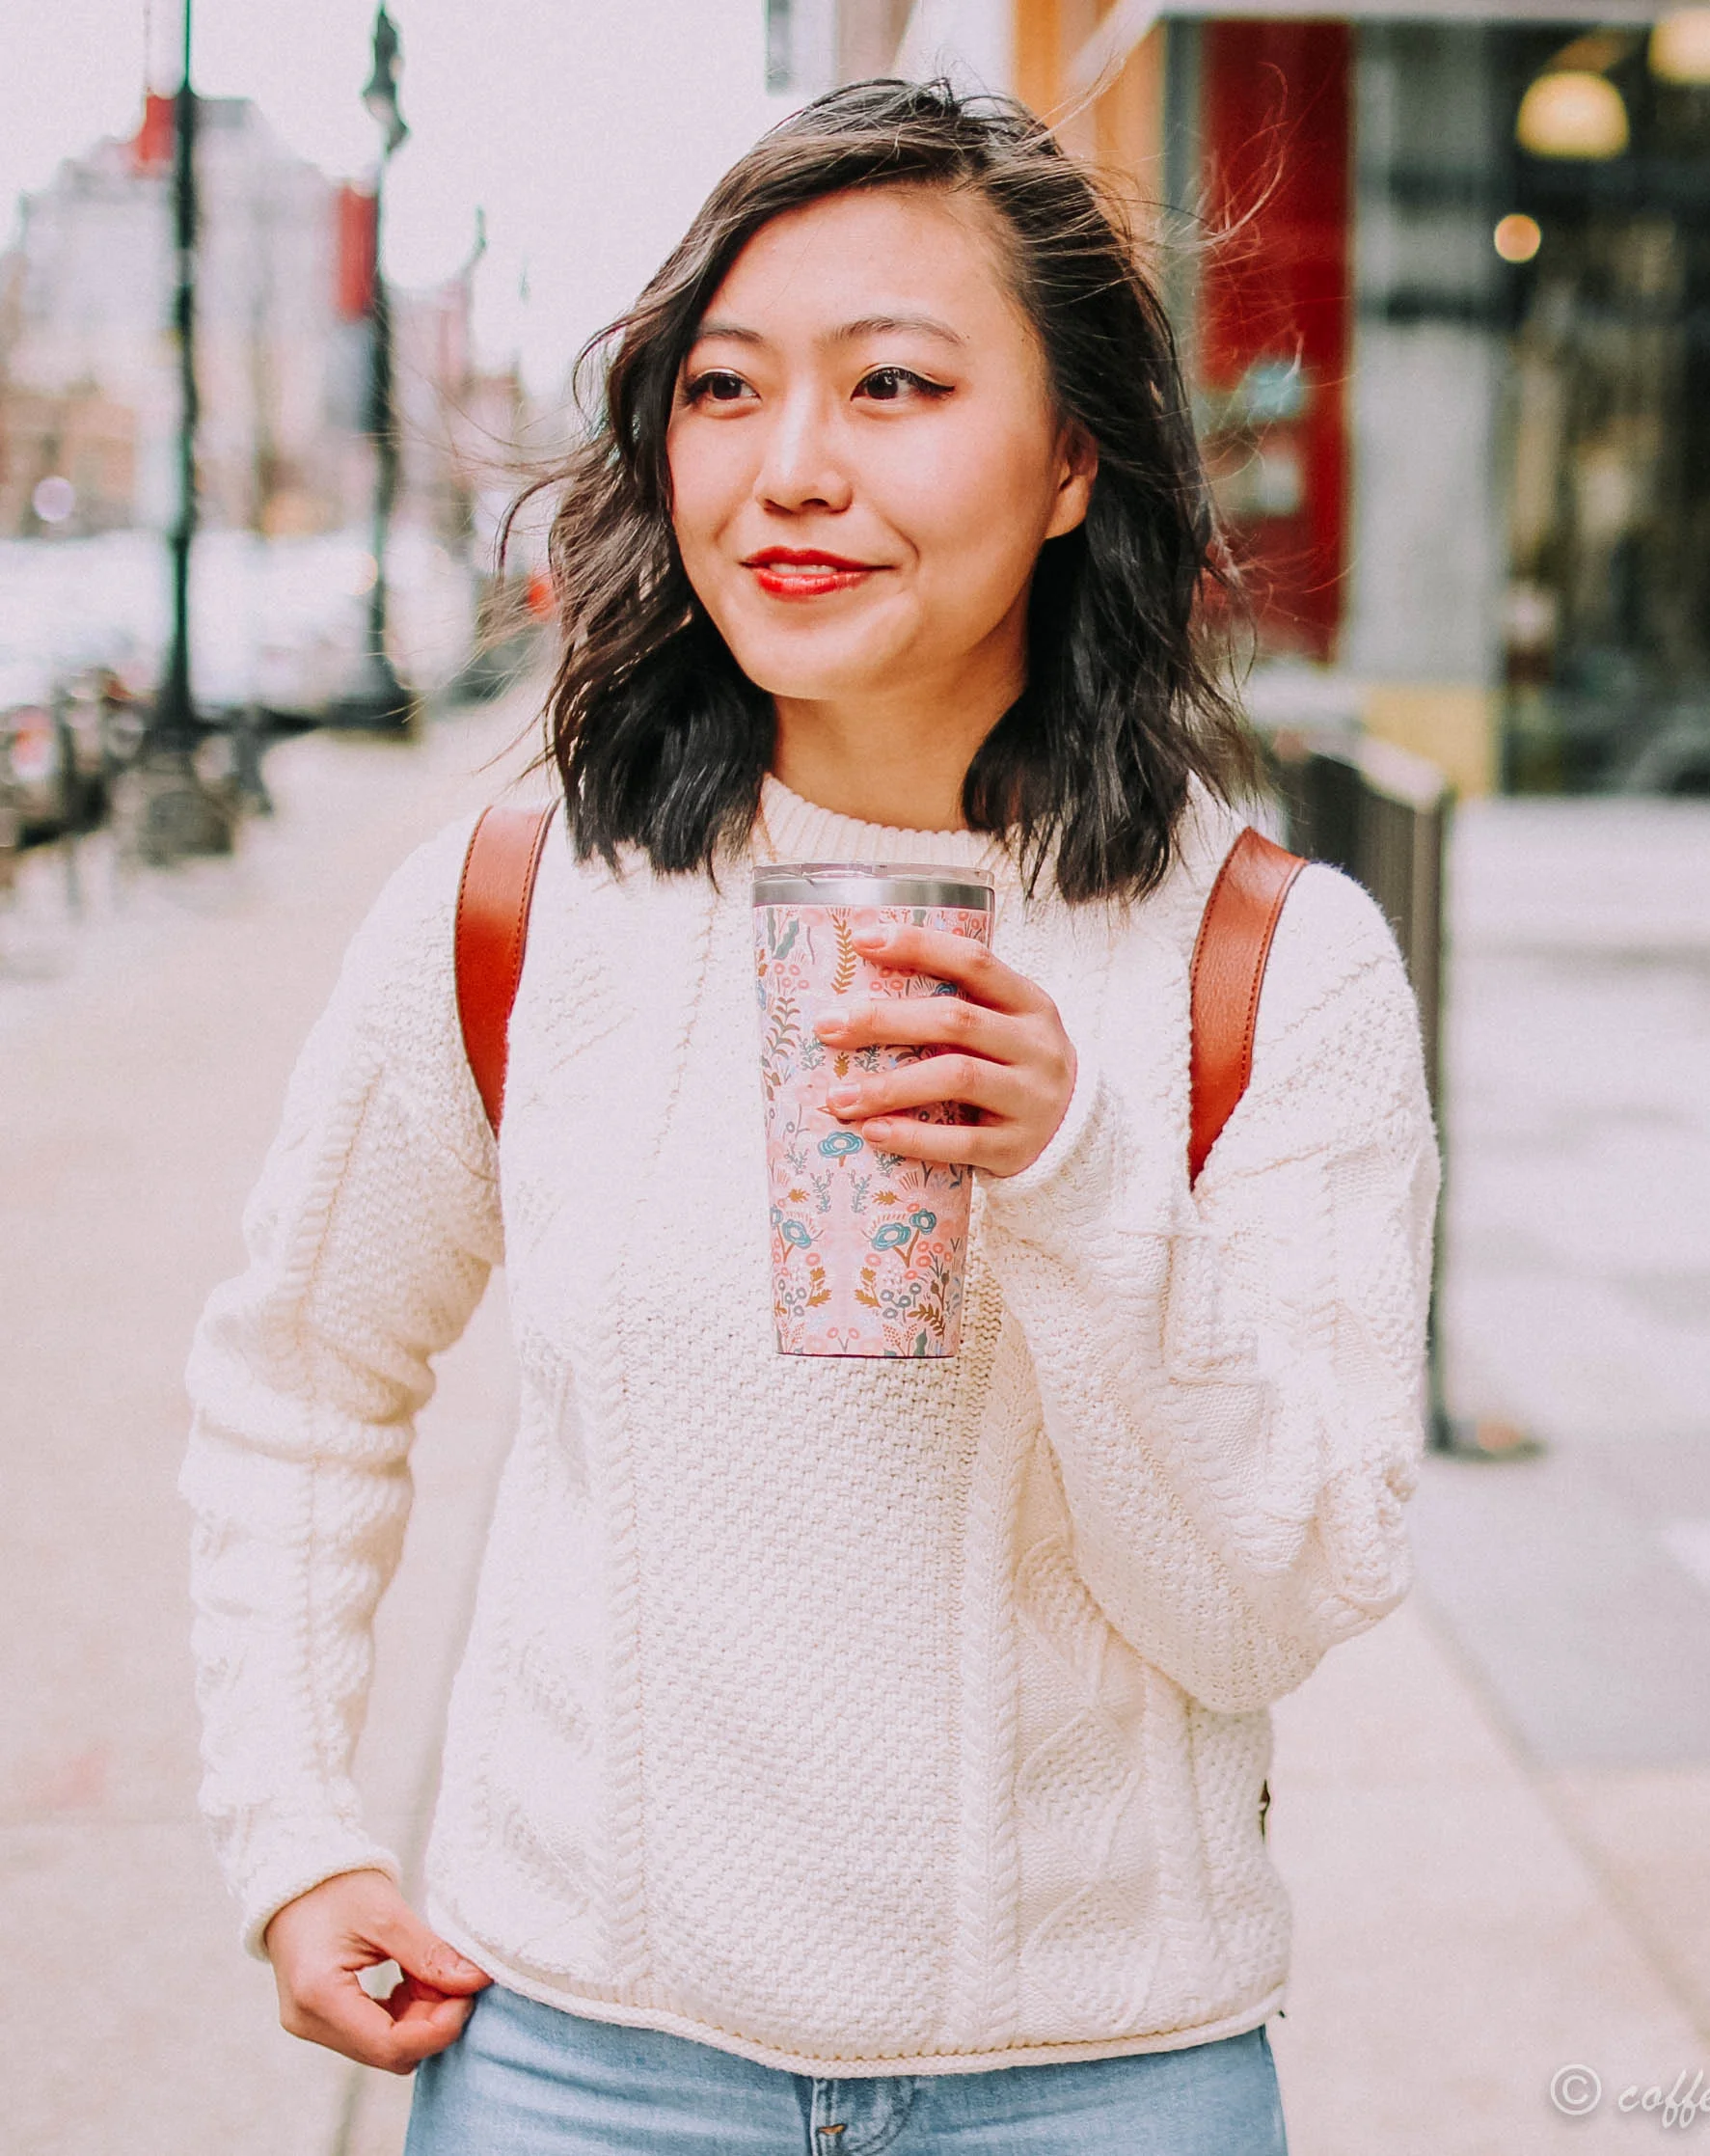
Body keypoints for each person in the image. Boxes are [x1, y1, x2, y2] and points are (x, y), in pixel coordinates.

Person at [180, 78, 1438, 2155]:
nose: (788, 471)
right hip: (577, 2057)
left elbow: (1271, 1600)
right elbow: (303, 1371)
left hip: (1102, 2082)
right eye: (725, 389)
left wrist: (1074, 1175)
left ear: (1067, 462)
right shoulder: (520, 905)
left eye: (894, 387)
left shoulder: (1267, 969)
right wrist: (295, 1824)